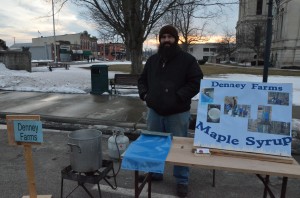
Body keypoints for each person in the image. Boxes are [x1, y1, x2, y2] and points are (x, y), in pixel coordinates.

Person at [137, 25, 203, 197]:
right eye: (163, 37)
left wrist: (179, 96)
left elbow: (195, 82)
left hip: (178, 112)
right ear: (160, 40)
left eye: (170, 37)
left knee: (180, 147)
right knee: (154, 144)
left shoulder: (187, 60)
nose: (166, 40)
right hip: (155, 112)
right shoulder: (153, 60)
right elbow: (142, 80)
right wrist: (145, 95)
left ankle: (182, 180)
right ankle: (154, 172)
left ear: (176, 39)